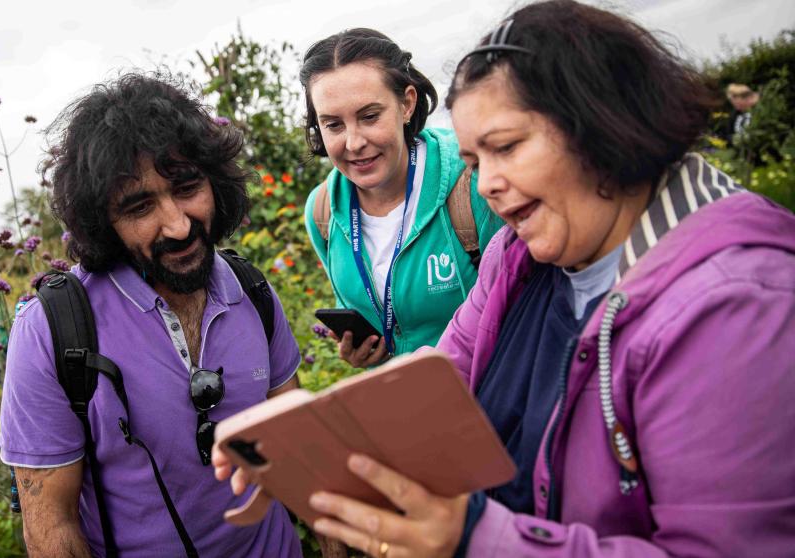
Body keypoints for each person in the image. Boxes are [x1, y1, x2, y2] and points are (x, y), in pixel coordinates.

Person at [286, 2, 795, 556]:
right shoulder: (518, 258)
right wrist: (313, 450)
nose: (484, 187)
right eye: (476, 162)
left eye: (506, 148)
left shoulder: (735, 307)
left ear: (603, 122)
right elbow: (443, 375)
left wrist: (474, 537)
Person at [0, 72, 303, 557]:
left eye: (186, 187)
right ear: (104, 222)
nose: (179, 225)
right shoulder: (51, 332)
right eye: (140, 206)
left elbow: (296, 441)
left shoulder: (253, 291)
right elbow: (51, 528)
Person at [301, 29, 503, 368]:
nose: (353, 143)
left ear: (406, 103)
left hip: (487, 402)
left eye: (369, 116)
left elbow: (524, 312)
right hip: (403, 407)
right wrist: (361, 351)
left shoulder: (473, 183)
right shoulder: (322, 210)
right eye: (333, 124)